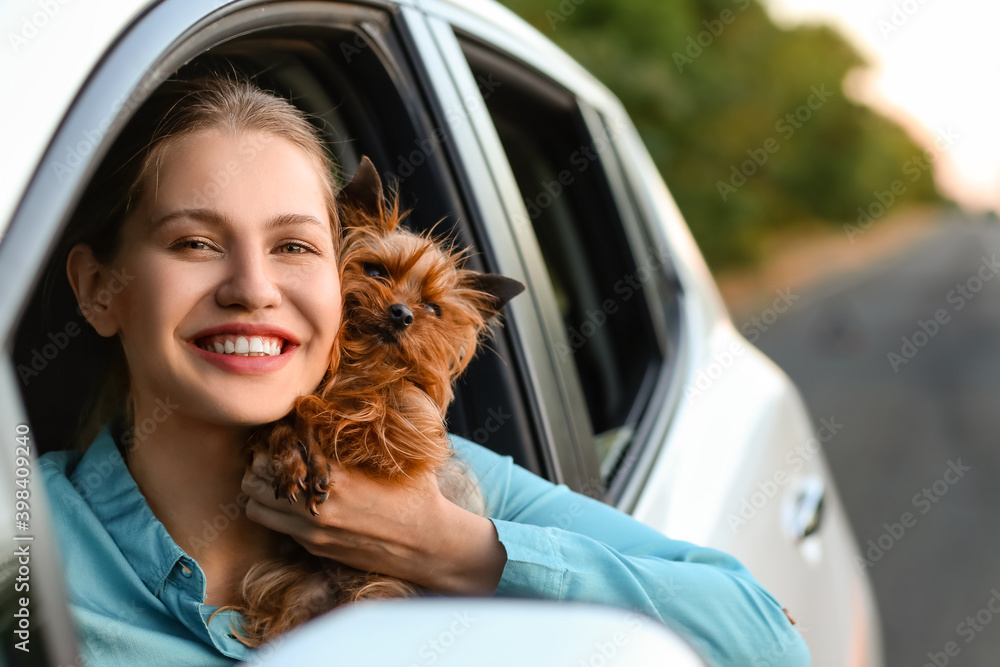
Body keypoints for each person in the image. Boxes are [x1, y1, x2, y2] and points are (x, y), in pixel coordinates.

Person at [38, 75, 810, 666]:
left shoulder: (457, 487)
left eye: (296, 246)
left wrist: (444, 545)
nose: (253, 288)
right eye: (195, 243)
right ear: (99, 288)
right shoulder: (26, 531)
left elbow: (765, 636)